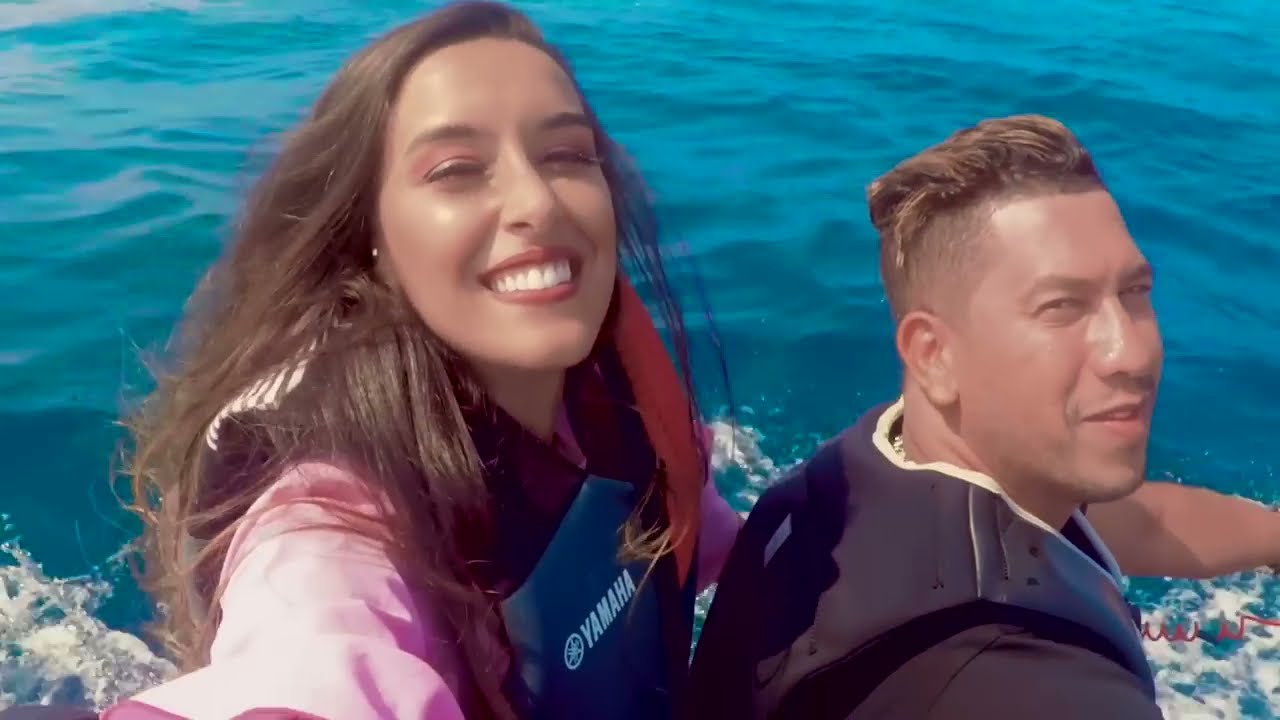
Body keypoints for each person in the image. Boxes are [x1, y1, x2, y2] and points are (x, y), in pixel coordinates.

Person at [0, 3, 742, 719]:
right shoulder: (332, 513)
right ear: (372, 239)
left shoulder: (617, 392)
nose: (537, 202)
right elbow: (315, 661)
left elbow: (716, 546)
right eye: (456, 169)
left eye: (567, 155)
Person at [688, 114, 1195, 719]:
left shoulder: (843, 474)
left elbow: (1110, 520)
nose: (1131, 352)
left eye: (1135, 293)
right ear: (934, 355)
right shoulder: (1028, 687)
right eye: (1062, 307)